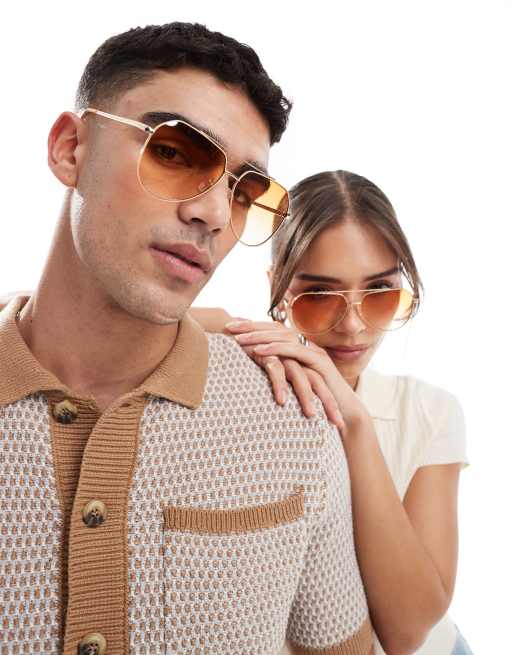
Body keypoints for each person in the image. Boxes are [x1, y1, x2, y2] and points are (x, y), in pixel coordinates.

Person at [0, 24, 374, 655]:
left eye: (243, 191)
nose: (215, 215)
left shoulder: (297, 423)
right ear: (70, 149)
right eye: (174, 153)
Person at [195, 170, 474, 655]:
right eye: (319, 296)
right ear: (278, 289)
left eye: (380, 291)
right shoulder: (245, 391)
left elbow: (408, 632)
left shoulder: (429, 412)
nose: (353, 325)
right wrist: (223, 322)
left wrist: (357, 425)